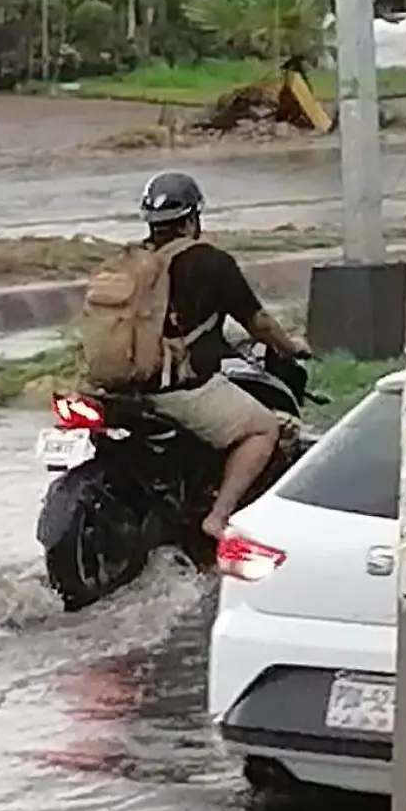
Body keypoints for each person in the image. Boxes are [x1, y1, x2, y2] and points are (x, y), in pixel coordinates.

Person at [137, 171, 309, 539]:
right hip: (176, 387)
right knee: (264, 428)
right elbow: (258, 322)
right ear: (192, 219)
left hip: (114, 384)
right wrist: (290, 346)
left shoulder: (129, 263)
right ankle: (218, 516)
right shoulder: (210, 262)